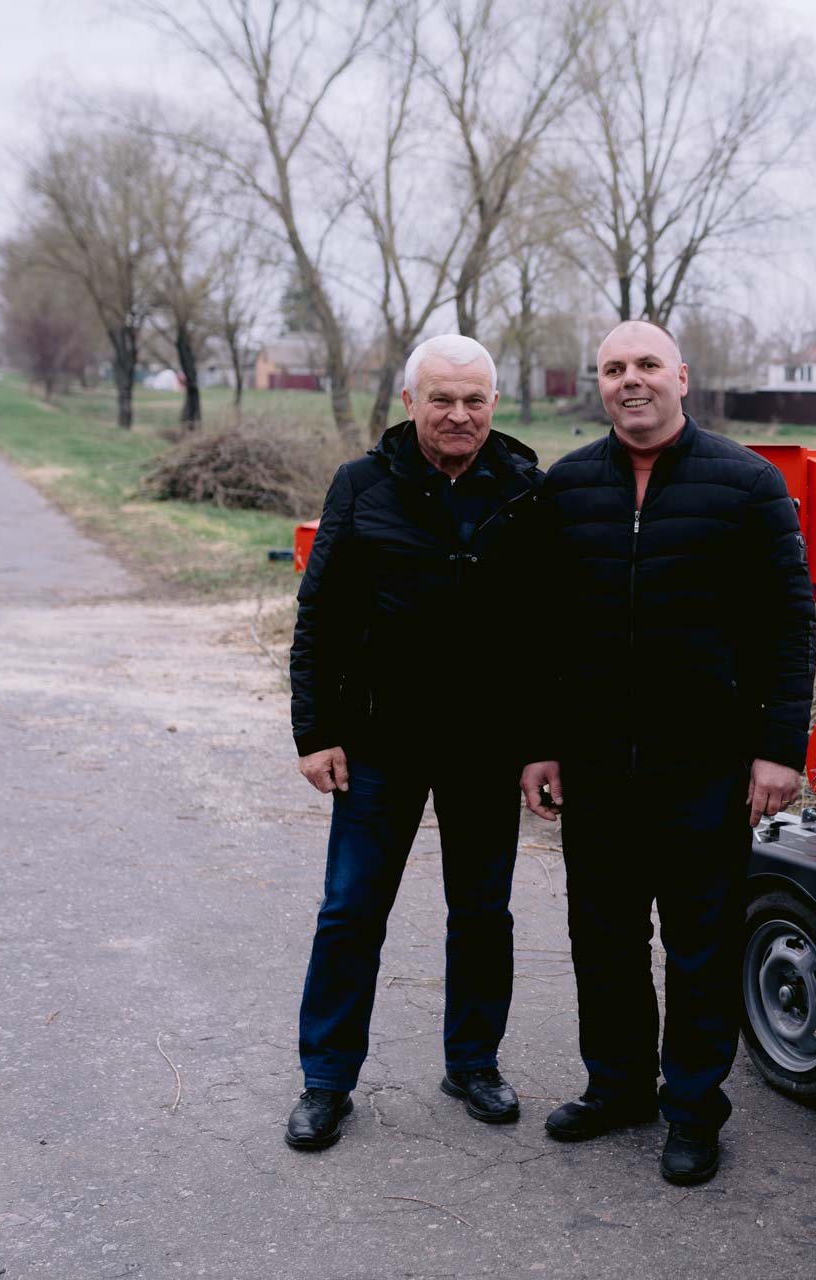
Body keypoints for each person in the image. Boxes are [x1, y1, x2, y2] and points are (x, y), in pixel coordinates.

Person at [521, 320, 814, 1186]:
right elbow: (540, 632)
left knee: (700, 945)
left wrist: (777, 750)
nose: (631, 380)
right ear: (600, 384)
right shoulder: (567, 487)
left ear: (681, 377)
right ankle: (617, 1088)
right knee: (603, 937)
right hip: (598, 765)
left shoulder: (748, 484)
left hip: (706, 765)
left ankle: (692, 1108)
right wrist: (540, 745)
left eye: (647, 364)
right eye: (614, 368)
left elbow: (789, 625)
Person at [284, 334, 546, 1151]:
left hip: (485, 746)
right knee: (351, 911)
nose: (458, 414)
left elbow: (548, 630)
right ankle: (327, 1081)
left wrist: (541, 742)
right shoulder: (362, 485)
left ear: (493, 404)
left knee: (483, 913)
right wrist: (315, 732)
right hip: (379, 742)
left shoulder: (526, 490)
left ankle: (473, 1063)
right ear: (409, 403)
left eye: (473, 400)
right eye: (442, 399)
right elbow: (319, 616)